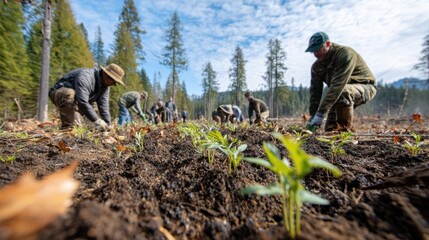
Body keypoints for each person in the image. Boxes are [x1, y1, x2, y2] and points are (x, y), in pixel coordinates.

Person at [305, 32, 377, 131]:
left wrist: (321, 113)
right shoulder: (316, 67)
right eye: (313, 51)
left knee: (344, 92)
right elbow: (315, 93)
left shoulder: (345, 54)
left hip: (365, 87)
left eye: (318, 49)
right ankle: (335, 137)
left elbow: (338, 85)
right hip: (338, 93)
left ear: (327, 44)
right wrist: (313, 116)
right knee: (331, 129)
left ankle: (345, 134)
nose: (316, 54)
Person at [49, 63, 125, 131]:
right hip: (59, 93)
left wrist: (107, 125)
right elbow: (82, 101)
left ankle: (85, 129)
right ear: (106, 75)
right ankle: (68, 128)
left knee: (92, 110)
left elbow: (104, 107)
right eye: (114, 81)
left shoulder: (105, 86)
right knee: (69, 93)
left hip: (78, 100)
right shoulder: (86, 77)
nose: (114, 84)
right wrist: (97, 120)